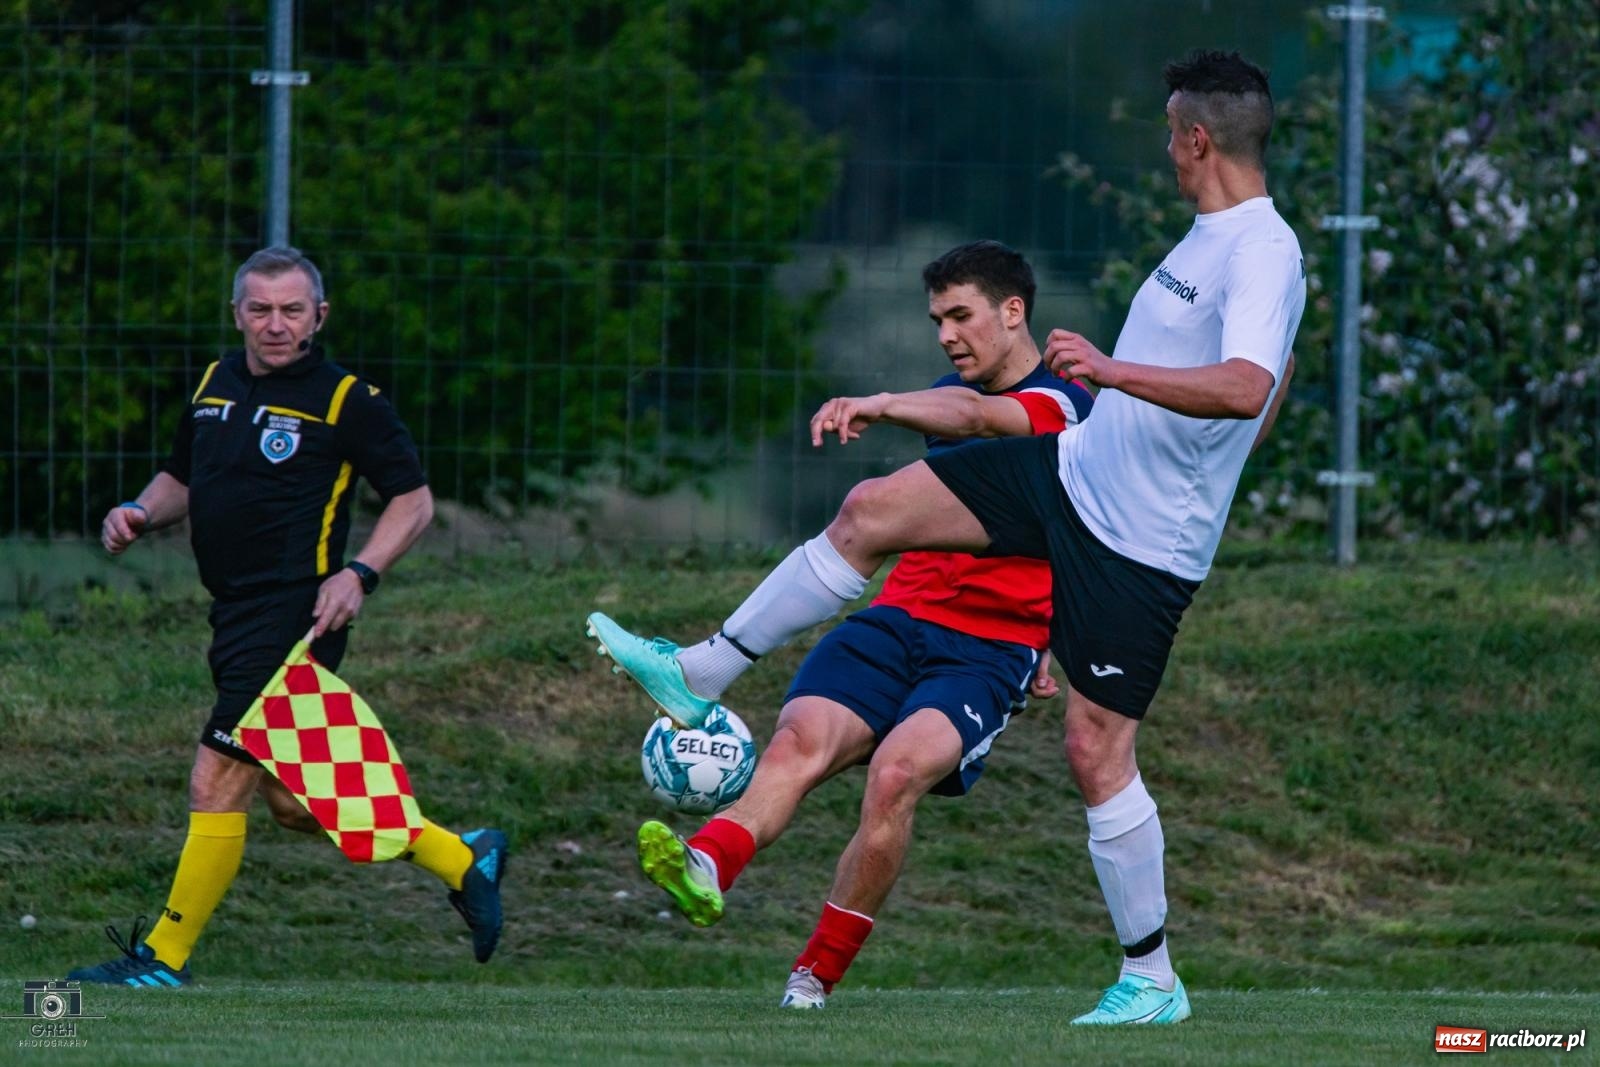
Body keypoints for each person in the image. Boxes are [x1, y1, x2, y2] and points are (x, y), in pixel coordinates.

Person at [587, 49, 1303, 1025]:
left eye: (1168, 140)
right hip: (1078, 477)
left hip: (1137, 544)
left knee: (1097, 752)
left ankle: (1151, 976)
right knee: (871, 510)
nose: (1165, 157)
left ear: (1196, 138)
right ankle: (702, 670)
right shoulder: (1202, 242)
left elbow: (1245, 389)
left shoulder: (1260, 250)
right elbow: (1249, 396)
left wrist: (1111, 370)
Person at [592, 240, 1092, 1008]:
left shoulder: (1068, 403)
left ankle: (814, 974)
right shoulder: (944, 396)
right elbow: (967, 437)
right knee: (798, 742)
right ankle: (705, 865)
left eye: (960, 316)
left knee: (895, 776)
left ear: (1013, 311)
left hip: (989, 650)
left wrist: (878, 403)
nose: (946, 335)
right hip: (896, 619)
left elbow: (994, 433)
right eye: (936, 320)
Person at [68, 247, 509, 988]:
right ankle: (463, 858)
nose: (276, 324)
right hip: (232, 615)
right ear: (237, 312)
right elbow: (182, 475)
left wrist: (360, 573)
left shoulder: (347, 400)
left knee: (216, 776)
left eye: (292, 310)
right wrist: (141, 510)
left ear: (319, 316)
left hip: (296, 616)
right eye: (261, 309)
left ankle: (162, 960)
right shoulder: (215, 384)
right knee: (299, 805)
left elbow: (415, 501)